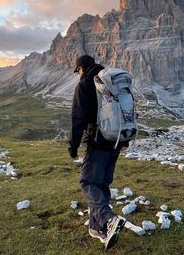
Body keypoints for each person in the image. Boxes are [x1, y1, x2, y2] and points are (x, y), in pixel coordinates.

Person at [68, 55, 129, 250]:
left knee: (87, 182)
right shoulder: (111, 82)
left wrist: (73, 145)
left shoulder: (85, 84)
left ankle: (108, 219)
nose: (78, 74)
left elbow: (78, 118)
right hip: (116, 140)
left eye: (77, 70)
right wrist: (124, 140)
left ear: (82, 68)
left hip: (98, 141)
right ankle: (98, 228)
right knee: (101, 182)